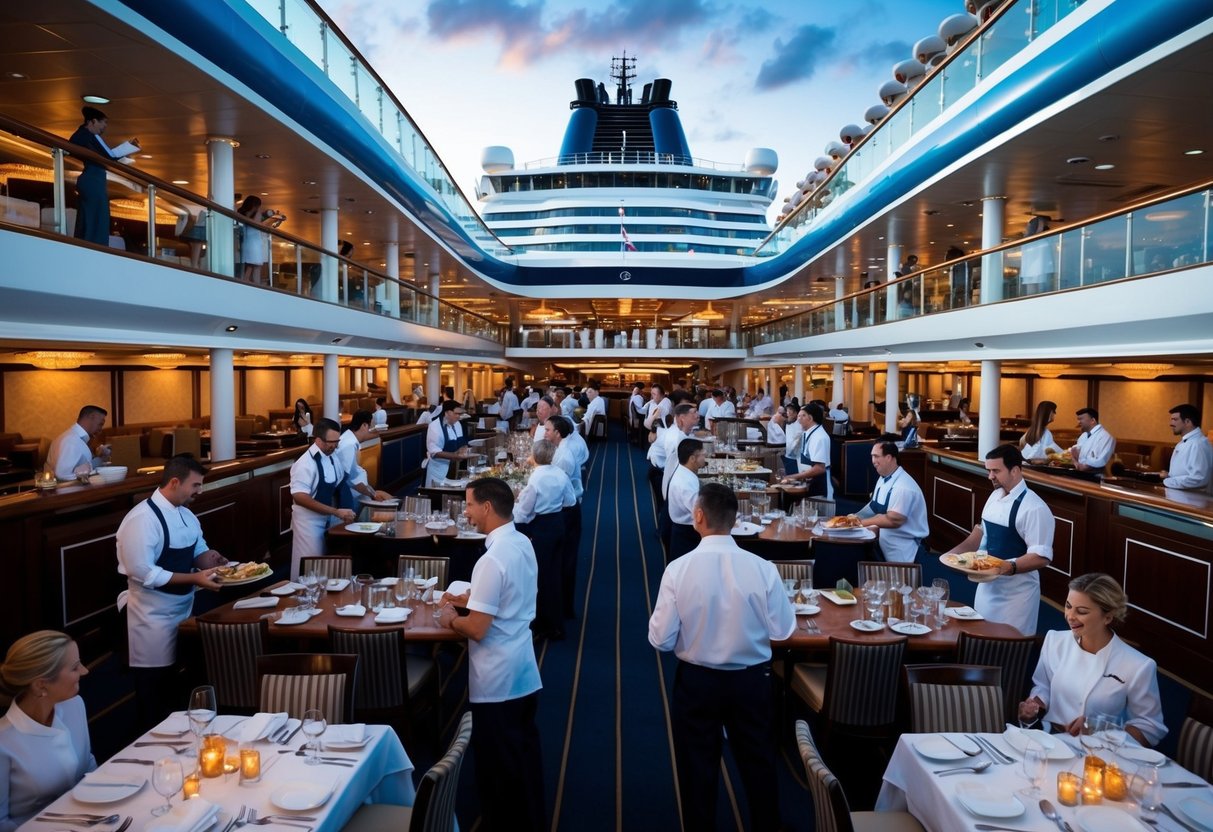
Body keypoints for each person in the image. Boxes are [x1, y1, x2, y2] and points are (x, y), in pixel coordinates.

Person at [648, 483, 795, 832]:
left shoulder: (678, 569)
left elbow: (660, 640)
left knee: (697, 768)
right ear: (735, 519)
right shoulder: (762, 568)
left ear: (698, 517)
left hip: (698, 682)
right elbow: (783, 632)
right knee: (758, 764)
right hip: (752, 681)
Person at [437, 478, 544, 832]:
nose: (465, 512)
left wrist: (452, 618)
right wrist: (472, 601)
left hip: (498, 678)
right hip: (524, 671)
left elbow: (478, 629)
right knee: (524, 759)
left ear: (486, 507)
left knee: (498, 769)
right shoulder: (522, 543)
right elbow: (513, 595)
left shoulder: (491, 558)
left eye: (468, 505)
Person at [115, 455, 227, 717]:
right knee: (153, 686)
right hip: (150, 615)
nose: (200, 491)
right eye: (196, 485)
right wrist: (195, 579)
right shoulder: (142, 520)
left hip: (182, 608)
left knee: (180, 677)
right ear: (175, 482)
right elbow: (144, 572)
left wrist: (214, 560)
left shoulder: (186, 514)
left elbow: (198, 551)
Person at [1018, 573, 1166, 747]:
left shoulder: (1138, 665)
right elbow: (1043, 686)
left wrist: (1099, 730)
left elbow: (1150, 729)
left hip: (1098, 753)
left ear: (1108, 617)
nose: (1070, 616)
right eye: (1068, 606)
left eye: (1081, 611)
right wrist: (1035, 703)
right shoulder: (1055, 641)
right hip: (1049, 741)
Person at [944, 444, 1054, 635]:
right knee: (979, 637)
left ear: (1015, 470)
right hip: (987, 586)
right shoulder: (994, 496)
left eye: (996, 471)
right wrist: (954, 555)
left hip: (1016, 595)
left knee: (1008, 647)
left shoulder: (1035, 508)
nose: (990, 476)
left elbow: (1041, 557)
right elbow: (982, 534)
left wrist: (1006, 567)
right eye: (988, 470)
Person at [0, 631, 96, 831]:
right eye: (74, 667)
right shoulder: (3, 741)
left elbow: (89, 766)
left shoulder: (74, 705)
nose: (85, 671)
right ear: (40, 684)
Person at [513, 440, 574, 640]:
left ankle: (542, 624)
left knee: (539, 577)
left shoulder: (535, 479)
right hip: (558, 525)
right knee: (554, 575)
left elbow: (523, 513)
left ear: (535, 456)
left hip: (542, 529)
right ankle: (556, 623)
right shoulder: (560, 474)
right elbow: (570, 501)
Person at [289, 419, 357, 579]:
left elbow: (341, 483)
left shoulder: (332, 456)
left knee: (326, 568)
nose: (335, 446)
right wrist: (336, 511)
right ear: (318, 440)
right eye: (331, 442)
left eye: (337, 441)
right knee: (308, 569)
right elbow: (299, 496)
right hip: (308, 523)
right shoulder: (304, 464)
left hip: (329, 520)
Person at [67, 106, 139, 246]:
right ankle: (96, 246)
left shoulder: (79, 135)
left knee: (88, 216)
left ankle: (85, 243)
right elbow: (109, 156)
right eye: (103, 122)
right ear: (93, 121)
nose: (104, 126)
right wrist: (128, 148)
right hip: (94, 179)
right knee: (99, 216)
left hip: (89, 179)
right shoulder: (92, 136)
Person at [856, 441, 930, 563]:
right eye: (872, 456)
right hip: (884, 544)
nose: (873, 461)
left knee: (900, 582)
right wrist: (854, 517)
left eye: (876, 456)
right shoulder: (883, 478)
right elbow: (874, 506)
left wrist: (859, 523)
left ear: (889, 457)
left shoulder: (903, 487)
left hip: (903, 550)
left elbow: (893, 520)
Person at [334, 410, 395, 509]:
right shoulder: (349, 444)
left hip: (359, 494)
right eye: (371, 428)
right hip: (351, 498)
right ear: (364, 425)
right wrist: (373, 495)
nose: (374, 433)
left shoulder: (350, 440)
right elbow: (350, 479)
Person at [664, 438, 704, 562]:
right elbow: (699, 513)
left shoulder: (685, 472)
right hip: (687, 536)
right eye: (703, 455)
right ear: (692, 458)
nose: (705, 458)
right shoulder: (685, 484)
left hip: (685, 531)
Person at [47, 405, 111, 481]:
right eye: (100, 424)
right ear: (91, 417)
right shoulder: (71, 441)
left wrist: (98, 457)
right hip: (70, 491)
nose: (100, 429)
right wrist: (96, 463)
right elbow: (61, 474)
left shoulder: (68, 436)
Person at [782, 403, 832, 498]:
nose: (798, 419)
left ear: (810, 418)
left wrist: (793, 477)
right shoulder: (809, 433)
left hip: (819, 487)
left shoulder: (819, 437)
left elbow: (820, 468)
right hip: (809, 482)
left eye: (802, 416)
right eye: (799, 416)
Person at [1161, 404, 1212, 492]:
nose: (1171, 424)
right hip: (1181, 499)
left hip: (1194, 503)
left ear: (1188, 422)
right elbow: (1185, 472)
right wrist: (1169, 475)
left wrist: (1168, 481)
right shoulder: (1183, 442)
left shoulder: (1199, 444)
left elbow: (1199, 478)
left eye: (1175, 419)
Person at [424, 400, 469, 487]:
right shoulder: (434, 426)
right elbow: (435, 453)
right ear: (447, 412)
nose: (459, 416)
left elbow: (462, 443)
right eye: (456, 413)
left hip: (453, 470)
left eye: (460, 414)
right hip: (438, 472)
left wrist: (464, 449)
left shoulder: (457, 424)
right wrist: (455, 456)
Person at [1068, 407, 1116, 471]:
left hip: (1096, 477)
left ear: (1093, 420)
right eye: (1078, 419)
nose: (1078, 422)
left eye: (1081, 419)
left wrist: (1079, 457)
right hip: (1080, 474)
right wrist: (1077, 460)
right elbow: (1074, 453)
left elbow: (1098, 462)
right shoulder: (1084, 435)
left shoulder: (1106, 437)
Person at [1019, 215, 1055, 295]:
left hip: (1031, 270)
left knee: (1033, 293)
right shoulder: (1039, 241)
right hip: (1037, 269)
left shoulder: (1026, 242)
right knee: (1039, 292)